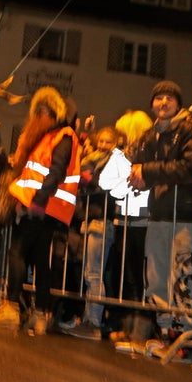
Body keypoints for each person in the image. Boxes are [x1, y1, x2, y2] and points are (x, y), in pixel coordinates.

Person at [0, 86, 80, 334]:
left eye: (44, 110)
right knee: (39, 260)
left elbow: (55, 173)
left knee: (17, 252)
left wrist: (34, 202)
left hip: (41, 206)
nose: (39, 115)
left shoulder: (61, 136)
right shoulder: (47, 138)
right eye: (38, 110)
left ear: (53, 113)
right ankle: (40, 315)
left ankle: (11, 309)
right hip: (43, 206)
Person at [128, 81, 192, 347]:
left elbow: (189, 166)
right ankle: (164, 333)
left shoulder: (190, 128)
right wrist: (139, 169)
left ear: (178, 103)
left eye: (169, 98)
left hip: (186, 213)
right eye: (158, 98)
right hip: (159, 213)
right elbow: (140, 167)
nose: (163, 103)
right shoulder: (150, 135)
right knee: (157, 276)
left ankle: (184, 337)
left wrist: (147, 172)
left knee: (184, 278)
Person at [98, 109, 153, 345]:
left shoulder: (144, 154)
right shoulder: (126, 154)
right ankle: (129, 326)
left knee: (139, 276)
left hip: (141, 221)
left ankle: (140, 329)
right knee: (127, 275)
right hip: (124, 218)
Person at [63, 125, 120, 340]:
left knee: (95, 273)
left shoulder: (115, 162)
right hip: (90, 220)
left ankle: (93, 321)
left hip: (102, 221)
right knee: (90, 273)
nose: (104, 145)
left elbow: (108, 186)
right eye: (102, 141)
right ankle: (89, 317)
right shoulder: (91, 159)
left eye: (109, 141)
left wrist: (91, 179)